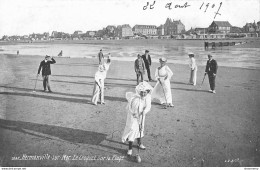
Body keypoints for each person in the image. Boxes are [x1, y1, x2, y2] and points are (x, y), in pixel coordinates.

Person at [122, 81, 153, 156]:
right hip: (133, 117)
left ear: (148, 92)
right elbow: (130, 108)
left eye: (145, 92)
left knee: (140, 129)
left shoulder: (148, 98)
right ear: (139, 91)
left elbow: (148, 106)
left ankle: (139, 143)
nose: (143, 94)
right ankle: (130, 148)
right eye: (141, 92)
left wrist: (144, 111)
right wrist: (134, 113)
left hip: (142, 116)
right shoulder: (134, 98)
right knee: (132, 130)